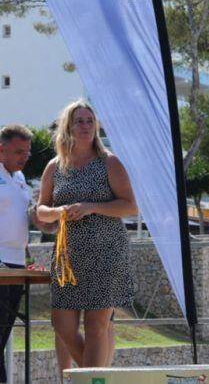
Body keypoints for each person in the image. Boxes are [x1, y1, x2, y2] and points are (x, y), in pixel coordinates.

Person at [36, 100, 137, 373]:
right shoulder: (55, 166)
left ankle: (92, 379)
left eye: (90, 121)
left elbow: (130, 205)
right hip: (68, 257)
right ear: (68, 127)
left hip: (107, 251)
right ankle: (97, 377)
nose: (86, 126)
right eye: (79, 121)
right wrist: (57, 212)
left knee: (96, 325)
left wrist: (91, 207)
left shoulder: (109, 162)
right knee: (62, 326)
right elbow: (41, 210)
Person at [0, 124, 44, 383]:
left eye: (27, 151)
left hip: (17, 265)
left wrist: (28, 258)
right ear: (1, 149)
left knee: (5, 332)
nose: (25, 157)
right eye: (19, 151)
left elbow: (17, 221)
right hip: (0, 264)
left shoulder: (19, 178)